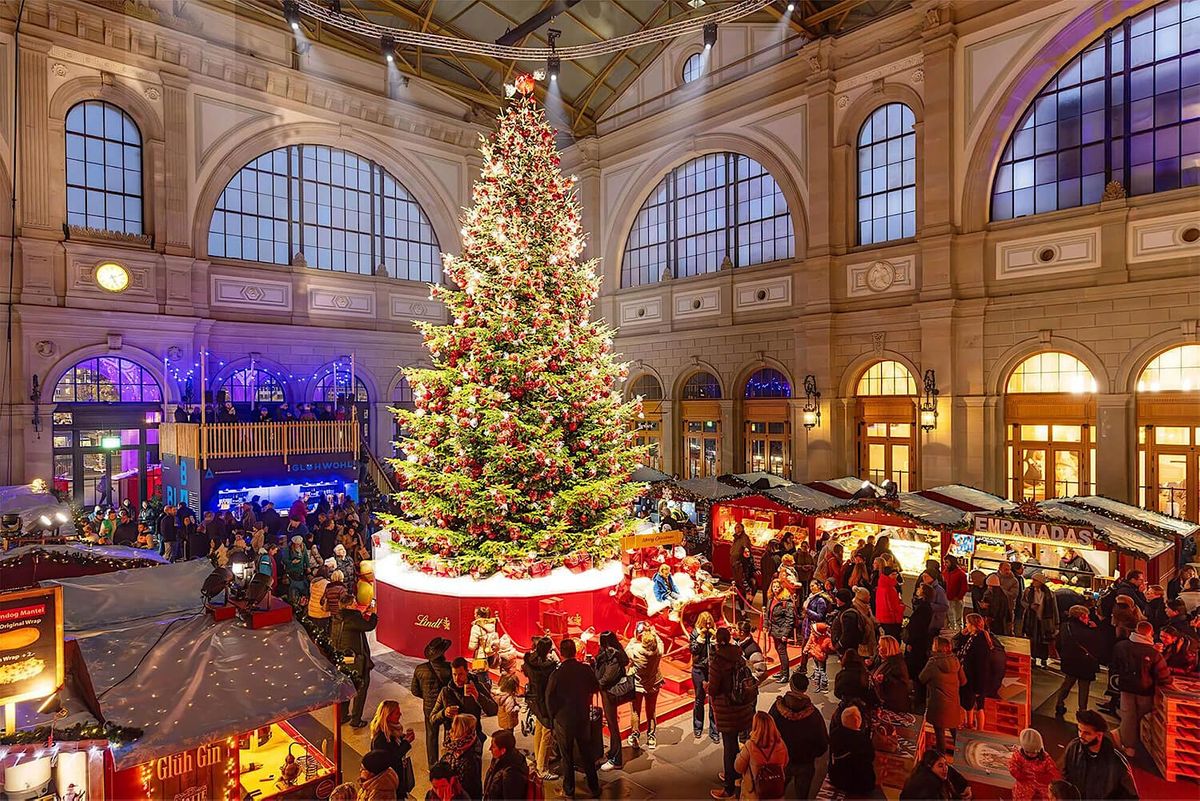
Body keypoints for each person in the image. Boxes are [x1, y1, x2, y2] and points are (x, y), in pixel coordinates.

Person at [545, 638, 601, 800]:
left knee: (566, 756)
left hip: (563, 720)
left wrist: (552, 716)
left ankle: (569, 791)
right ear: (575, 652)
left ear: (561, 653)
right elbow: (595, 687)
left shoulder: (557, 673)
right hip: (582, 716)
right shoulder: (584, 669)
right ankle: (594, 787)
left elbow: (549, 697)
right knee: (586, 752)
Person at [708, 626, 757, 800]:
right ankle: (736, 774)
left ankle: (729, 788)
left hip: (727, 709)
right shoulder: (739, 655)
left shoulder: (718, 662)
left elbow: (713, 689)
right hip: (742, 706)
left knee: (729, 747)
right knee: (735, 744)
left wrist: (707, 687)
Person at [1111, 619, 1172, 757]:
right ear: (1149, 633)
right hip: (1145, 689)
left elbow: (1114, 665)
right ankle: (1132, 742)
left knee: (1128, 715)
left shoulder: (1121, 646)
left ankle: (1128, 746)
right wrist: (1169, 680)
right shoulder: (1153, 653)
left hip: (1126, 686)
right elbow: (1162, 674)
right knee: (1141, 714)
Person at [432, 657, 499, 773]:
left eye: (461, 674)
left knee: (472, 776)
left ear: (467, 672)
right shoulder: (445, 692)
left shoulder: (477, 686)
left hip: (473, 742)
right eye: (454, 675)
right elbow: (432, 719)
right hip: (453, 743)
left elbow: (493, 710)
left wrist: (477, 696)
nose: (457, 678)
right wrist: (443, 713)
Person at [770, 673, 828, 798]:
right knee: (802, 795)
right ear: (806, 688)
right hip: (805, 763)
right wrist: (810, 755)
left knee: (776, 793)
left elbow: (768, 733)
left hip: (781, 760)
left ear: (791, 686)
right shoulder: (814, 715)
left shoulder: (776, 709)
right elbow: (823, 743)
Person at [1059, 710, 1138, 801]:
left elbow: (1131, 796)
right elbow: (1066, 777)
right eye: (1079, 730)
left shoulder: (1116, 762)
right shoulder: (1073, 748)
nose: (1081, 736)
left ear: (1099, 735)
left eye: (1087, 733)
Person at [332, 599, 377, 728]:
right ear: (348, 606)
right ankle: (356, 719)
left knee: (345, 688)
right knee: (361, 687)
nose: (356, 604)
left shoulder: (337, 618)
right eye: (354, 603)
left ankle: (342, 715)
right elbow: (369, 626)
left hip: (342, 659)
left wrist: (361, 614)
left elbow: (356, 624)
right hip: (357, 660)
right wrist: (373, 614)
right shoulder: (353, 619)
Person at [920, 636, 966, 755]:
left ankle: (941, 757)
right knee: (954, 729)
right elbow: (964, 681)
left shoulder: (933, 663)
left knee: (939, 732)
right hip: (953, 702)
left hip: (938, 703)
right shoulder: (955, 661)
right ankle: (961, 754)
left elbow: (922, 678)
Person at [521, 637, 559, 779]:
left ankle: (539, 760)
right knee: (547, 732)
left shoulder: (529, 660)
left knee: (539, 728)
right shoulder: (548, 666)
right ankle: (543, 769)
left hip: (533, 698)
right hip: (544, 701)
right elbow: (556, 668)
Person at [1054, 605, 1103, 716]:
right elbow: (1098, 645)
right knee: (1084, 688)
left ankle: (1059, 703)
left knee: (1067, 683)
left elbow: (1058, 643)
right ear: (1082, 616)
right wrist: (1095, 629)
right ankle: (1082, 710)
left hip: (1070, 661)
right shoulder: (1089, 632)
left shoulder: (1065, 626)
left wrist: (1063, 655)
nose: (1088, 619)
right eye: (1087, 616)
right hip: (1086, 664)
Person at [594, 630, 632, 771]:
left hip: (610, 693)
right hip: (607, 692)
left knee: (613, 726)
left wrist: (596, 683)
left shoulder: (614, 656)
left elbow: (607, 678)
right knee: (611, 725)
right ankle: (612, 752)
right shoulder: (609, 654)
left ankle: (617, 759)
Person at [733, 711, 788, 800]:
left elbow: (738, 768)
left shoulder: (750, 746)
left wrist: (739, 755)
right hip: (776, 790)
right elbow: (785, 763)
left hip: (755, 793)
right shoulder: (781, 744)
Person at [625, 625, 664, 750]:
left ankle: (635, 736)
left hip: (638, 686)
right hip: (653, 684)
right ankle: (651, 737)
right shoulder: (659, 651)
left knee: (635, 711)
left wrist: (633, 639)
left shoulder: (635, 650)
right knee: (651, 711)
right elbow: (660, 642)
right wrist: (654, 633)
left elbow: (627, 649)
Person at [954, 613, 994, 731]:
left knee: (978, 706)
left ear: (973, 625)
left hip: (975, 680)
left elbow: (981, 667)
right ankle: (969, 724)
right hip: (969, 677)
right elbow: (958, 643)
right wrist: (962, 633)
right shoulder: (971, 637)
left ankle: (979, 730)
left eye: (967, 623)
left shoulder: (980, 641)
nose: (965, 625)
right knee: (968, 704)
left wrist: (979, 688)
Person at [369, 700, 416, 798]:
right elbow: (390, 759)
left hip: (397, 778)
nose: (400, 714)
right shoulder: (380, 738)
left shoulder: (393, 731)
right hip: (390, 782)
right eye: (397, 713)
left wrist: (404, 738)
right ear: (388, 716)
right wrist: (406, 743)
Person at [828, 705, 875, 797]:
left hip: (836, 778)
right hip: (858, 783)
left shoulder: (835, 733)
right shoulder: (863, 740)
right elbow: (871, 757)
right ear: (859, 721)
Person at [689, 611, 719, 742]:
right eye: (705, 624)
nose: (708, 626)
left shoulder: (714, 633)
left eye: (709, 623)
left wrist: (713, 640)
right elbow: (693, 650)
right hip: (699, 669)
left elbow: (718, 650)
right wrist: (700, 638)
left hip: (712, 669)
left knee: (713, 700)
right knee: (699, 699)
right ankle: (698, 727)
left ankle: (715, 730)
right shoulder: (695, 633)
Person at [1008, 728, 1061, 801]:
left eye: (1033, 752)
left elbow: (1054, 772)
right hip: (1023, 787)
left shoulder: (1045, 758)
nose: (1030, 755)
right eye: (1027, 752)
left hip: (1042, 790)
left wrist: (1045, 777)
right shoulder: (1018, 755)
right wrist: (1019, 775)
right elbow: (1012, 766)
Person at [900, 748, 971, 801]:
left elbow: (951, 772)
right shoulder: (928, 783)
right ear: (929, 766)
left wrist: (965, 786)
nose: (945, 768)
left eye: (945, 764)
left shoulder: (934, 769)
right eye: (940, 766)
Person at [1022, 572, 1061, 668]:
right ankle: (1033, 658)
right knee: (1033, 639)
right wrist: (1030, 606)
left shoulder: (1049, 594)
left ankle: (1044, 659)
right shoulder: (1028, 591)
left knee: (1044, 640)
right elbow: (1023, 602)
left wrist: (1056, 623)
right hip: (1032, 618)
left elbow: (1054, 609)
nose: (1033, 582)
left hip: (1045, 619)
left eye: (1035, 580)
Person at [443, 714, 483, 800]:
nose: (450, 732)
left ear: (462, 731)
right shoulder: (455, 746)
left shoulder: (470, 758)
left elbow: (471, 788)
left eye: (453, 729)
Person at [482, 728, 530, 801]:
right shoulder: (499, 760)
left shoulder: (511, 773)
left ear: (503, 751)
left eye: (493, 746)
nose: (490, 749)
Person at [871, 635, 913, 713]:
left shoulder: (897, 664)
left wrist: (885, 679)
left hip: (894, 706)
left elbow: (901, 684)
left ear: (888, 648)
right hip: (886, 702)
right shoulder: (883, 660)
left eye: (880, 646)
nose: (878, 648)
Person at [766, 580, 796, 684]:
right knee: (778, 650)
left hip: (781, 631)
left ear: (781, 588)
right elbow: (768, 614)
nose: (775, 589)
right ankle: (782, 671)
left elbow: (789, 619)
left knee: (782, 652)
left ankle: (785, 675)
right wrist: (766, 625)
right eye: (773, 586)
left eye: (777, 587)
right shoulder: (771, 599)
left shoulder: (786, 601)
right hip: (774, 629)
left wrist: (785, 634)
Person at [875, 562, 905, 639]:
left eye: (896, 574)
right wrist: (901, 607)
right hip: (890, 620)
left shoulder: (882, 586)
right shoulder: (889, 588)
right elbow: (892, 606)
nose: (895, 576)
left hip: (882, 617)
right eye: (893, 575)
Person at [943, 555, 968, 630]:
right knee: (949, 617)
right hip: (947, 598)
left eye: (946, 562)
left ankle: (958, 632)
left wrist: (958, 597)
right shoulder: (945, 572)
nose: (945, 564)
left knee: (957, 617)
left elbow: (964, 588)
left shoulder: (961, 574)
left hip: (956, 599)